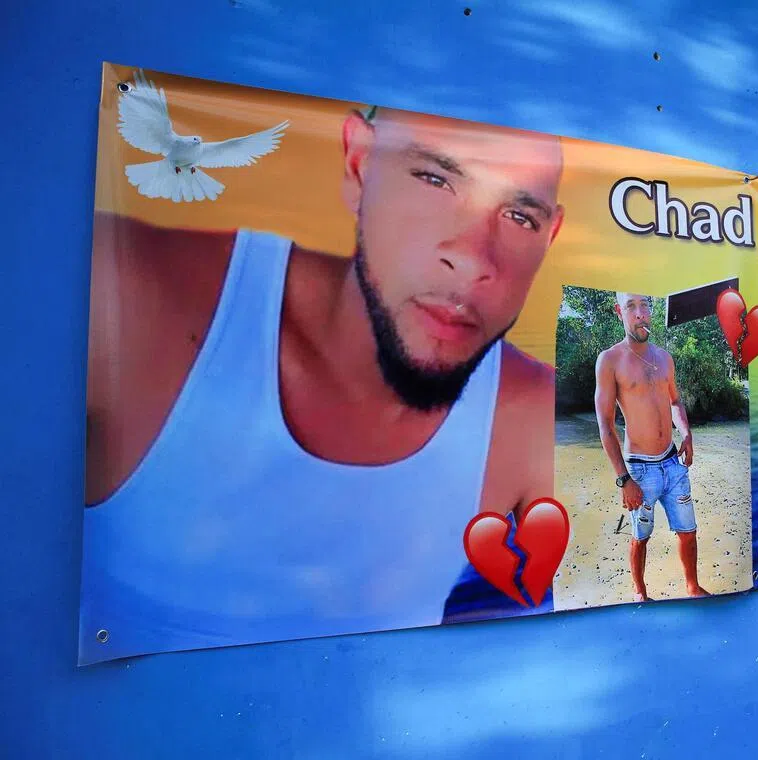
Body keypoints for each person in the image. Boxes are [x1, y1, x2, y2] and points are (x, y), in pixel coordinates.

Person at [80, 104, 565, 663]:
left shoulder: (532, 412)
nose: (472, 258)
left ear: (549, 235)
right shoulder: (130, 293)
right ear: (359, 166)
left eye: (520, 217)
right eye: (434, 179)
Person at [593, 292, 709, 602]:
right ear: (620, 311)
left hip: (673, 462)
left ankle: (692, 587)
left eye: (645, 305)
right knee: (640, 535)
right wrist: (623, 479)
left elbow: (675, 401)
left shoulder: (664, 357)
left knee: (688, 530)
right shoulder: (610, 360)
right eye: (631, 306)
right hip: (639, 469)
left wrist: (686, 433)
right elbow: (604, 424)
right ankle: (640, 593)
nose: (640, 313)